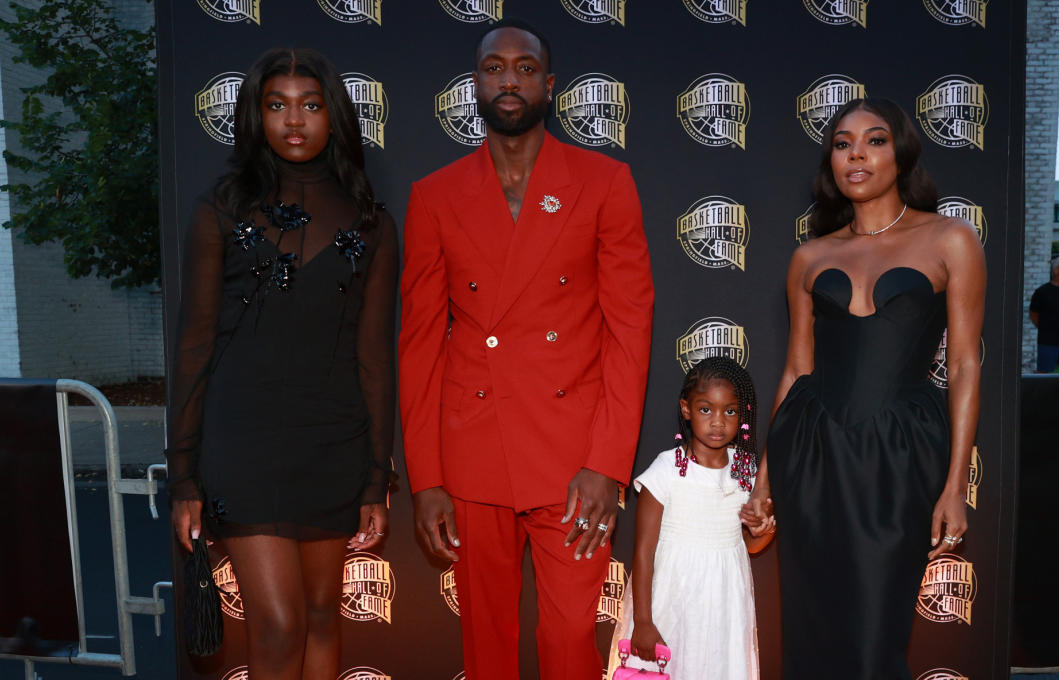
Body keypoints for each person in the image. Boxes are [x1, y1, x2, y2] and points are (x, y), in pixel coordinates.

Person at [398, 18, 654, 680]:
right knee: (486, 642)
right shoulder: (434, 195)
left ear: (550, 85)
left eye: (525, 67)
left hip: (573, 454)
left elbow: (629, 331)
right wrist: (426, 476)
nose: (509, 78)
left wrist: (607, 465)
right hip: (473, 444)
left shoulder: (604, 182)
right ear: (474, 84)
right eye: (493, 67)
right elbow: (421, 343)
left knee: (569, 638)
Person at [166, 48, 396, 679]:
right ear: (256, 115)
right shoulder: (220, 210)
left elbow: (375, 358)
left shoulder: (373, 224)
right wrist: (183, 476)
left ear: (334, 116)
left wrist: (376, 476)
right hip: (244, 444)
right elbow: (193, 346)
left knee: (323, 616)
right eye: (277, 105)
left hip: (335, 441)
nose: (294, 120)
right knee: (279, 624)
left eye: (311, 104)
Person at [741, 98, 985, 679]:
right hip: (812, 451)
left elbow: (967, 365)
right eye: (843, 142)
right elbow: (797, 370)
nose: (857, 154)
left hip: (898, 455)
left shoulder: (951, 240)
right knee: (810, 626)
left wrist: (955, 487)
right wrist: (765, 480)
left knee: (877, 635)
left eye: (875, 141)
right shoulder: (810, 256)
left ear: (900, 154)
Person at [608, 357, 770, 680]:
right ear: (686, 409)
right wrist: (642, 621)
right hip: (671, 599)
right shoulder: (666, 470)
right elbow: (643, 551)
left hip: (726, 601)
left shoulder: (746, 470)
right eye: (706, 409)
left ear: (743, 416)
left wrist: (764, 528)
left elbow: (753, 546)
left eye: (730, 411)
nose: (718, 422)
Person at [1030, 255, 1059, 373]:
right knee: (1043, 374)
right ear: (1055, 270)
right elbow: (1033, 313)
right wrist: (1046, 328)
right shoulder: (1042, 292)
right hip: (1048, 341)